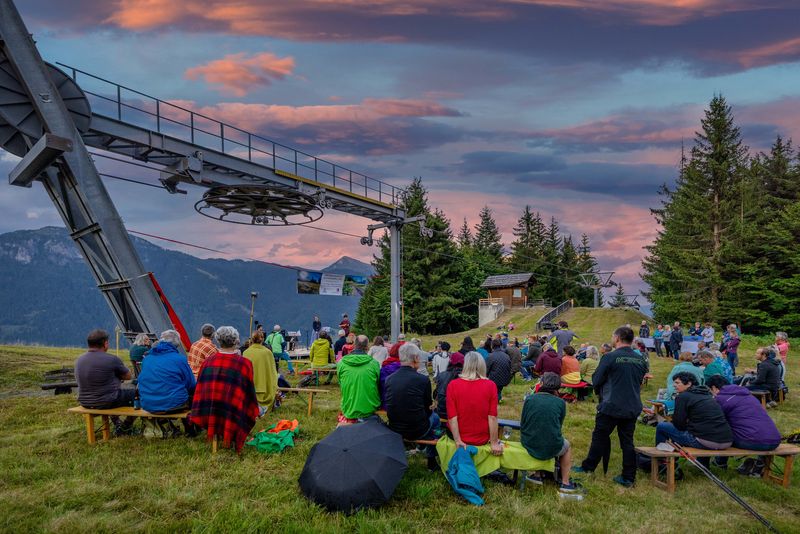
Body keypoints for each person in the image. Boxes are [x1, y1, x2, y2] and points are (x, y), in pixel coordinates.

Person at [574, 326, 647, 487]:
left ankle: (589, 467)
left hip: (611, 404)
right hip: (632, 404)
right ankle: (629, 476)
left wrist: (600, 390)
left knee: (599, 436)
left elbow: (597, 379)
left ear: (618, 338)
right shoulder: (640, 359)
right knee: (627, 441)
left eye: (613, 336)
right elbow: (640, 381)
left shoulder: (609, 357)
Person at [191, 326, 259, 453]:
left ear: (218, 340)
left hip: (212, 406)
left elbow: (202, 387)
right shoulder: (244, 363)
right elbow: (248, 391)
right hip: (233, 407)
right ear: (235, 341)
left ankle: (217, 437)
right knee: (237, 404)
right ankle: (233, 438)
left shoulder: (208, 362)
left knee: (221, 404)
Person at [521, 372, 582, 499]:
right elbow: (558, 425)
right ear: (558, 387)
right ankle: (565, 483)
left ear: (542, 383)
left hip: (528, 441)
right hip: (550, 443)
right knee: (567, 446)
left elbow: (524, 421)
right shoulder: (560, 403)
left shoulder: (530, 399)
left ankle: (537, 474)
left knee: (541, 435)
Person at [384, 342, 440, 470]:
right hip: (417, 429)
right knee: (435, 419)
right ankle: (431, 460)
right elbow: (427, 408)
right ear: (415, 359)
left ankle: (417, 449)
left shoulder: (389, 379)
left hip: (394, 428)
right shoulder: (423, 380)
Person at [654, 372, 733, 451]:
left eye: (677, 383)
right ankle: (702, 463)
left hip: (705, 442)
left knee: (662, 426)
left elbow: (679, 424)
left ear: (688, 383)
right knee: (695, 432)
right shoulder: (707, 395)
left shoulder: (683, 396)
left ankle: (661, 460)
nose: (674, 385)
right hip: (727, 441)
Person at [706, 374, 781, 455]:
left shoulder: (721, 399)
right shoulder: (749, 395)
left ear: (714, 388)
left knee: (719, 435)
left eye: (710, 392)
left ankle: (719, 462)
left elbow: (713, 421)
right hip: (774, 440)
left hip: (753, 441)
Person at [445, 352, 502, 456]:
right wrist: (494, 442)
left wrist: (458, 440)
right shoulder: (491, 385)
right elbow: (492, 417)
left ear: (465, 365)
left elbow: (452, 417)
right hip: (481, 438)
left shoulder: (453, 385)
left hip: (460, 436)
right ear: (482, 365)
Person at [138, 330, 196, 414]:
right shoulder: (180, 359)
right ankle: (191, 426)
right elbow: (191, 385)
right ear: (177, 344)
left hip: (148, 404)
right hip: (174, 404)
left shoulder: (147, 359)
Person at [75, 329, 134, 409]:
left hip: (85, 402)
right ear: (105, 343)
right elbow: (128, 376)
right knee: (137, 394)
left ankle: (116, 419)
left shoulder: (79, 359)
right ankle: (129, 420)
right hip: (108, 401)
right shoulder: (112, 359)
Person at [337, 334, 380, 424]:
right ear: (367, 347)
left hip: (348, 409)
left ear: (354, 345)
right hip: (369, 409)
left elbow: (341, 384)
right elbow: (377, 384)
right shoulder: (374, 364)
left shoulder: (341, 363)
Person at [242, 330, 278, 414]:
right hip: (265, 389)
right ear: (262, 339)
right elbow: (272, 372)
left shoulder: (246, 353)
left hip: (249, 389)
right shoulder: (267, 353)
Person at [434, 352, 464, 421]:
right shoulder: (463, 377)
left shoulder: (442, 375)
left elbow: (436, 393)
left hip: (441, 411)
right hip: (455, 414)